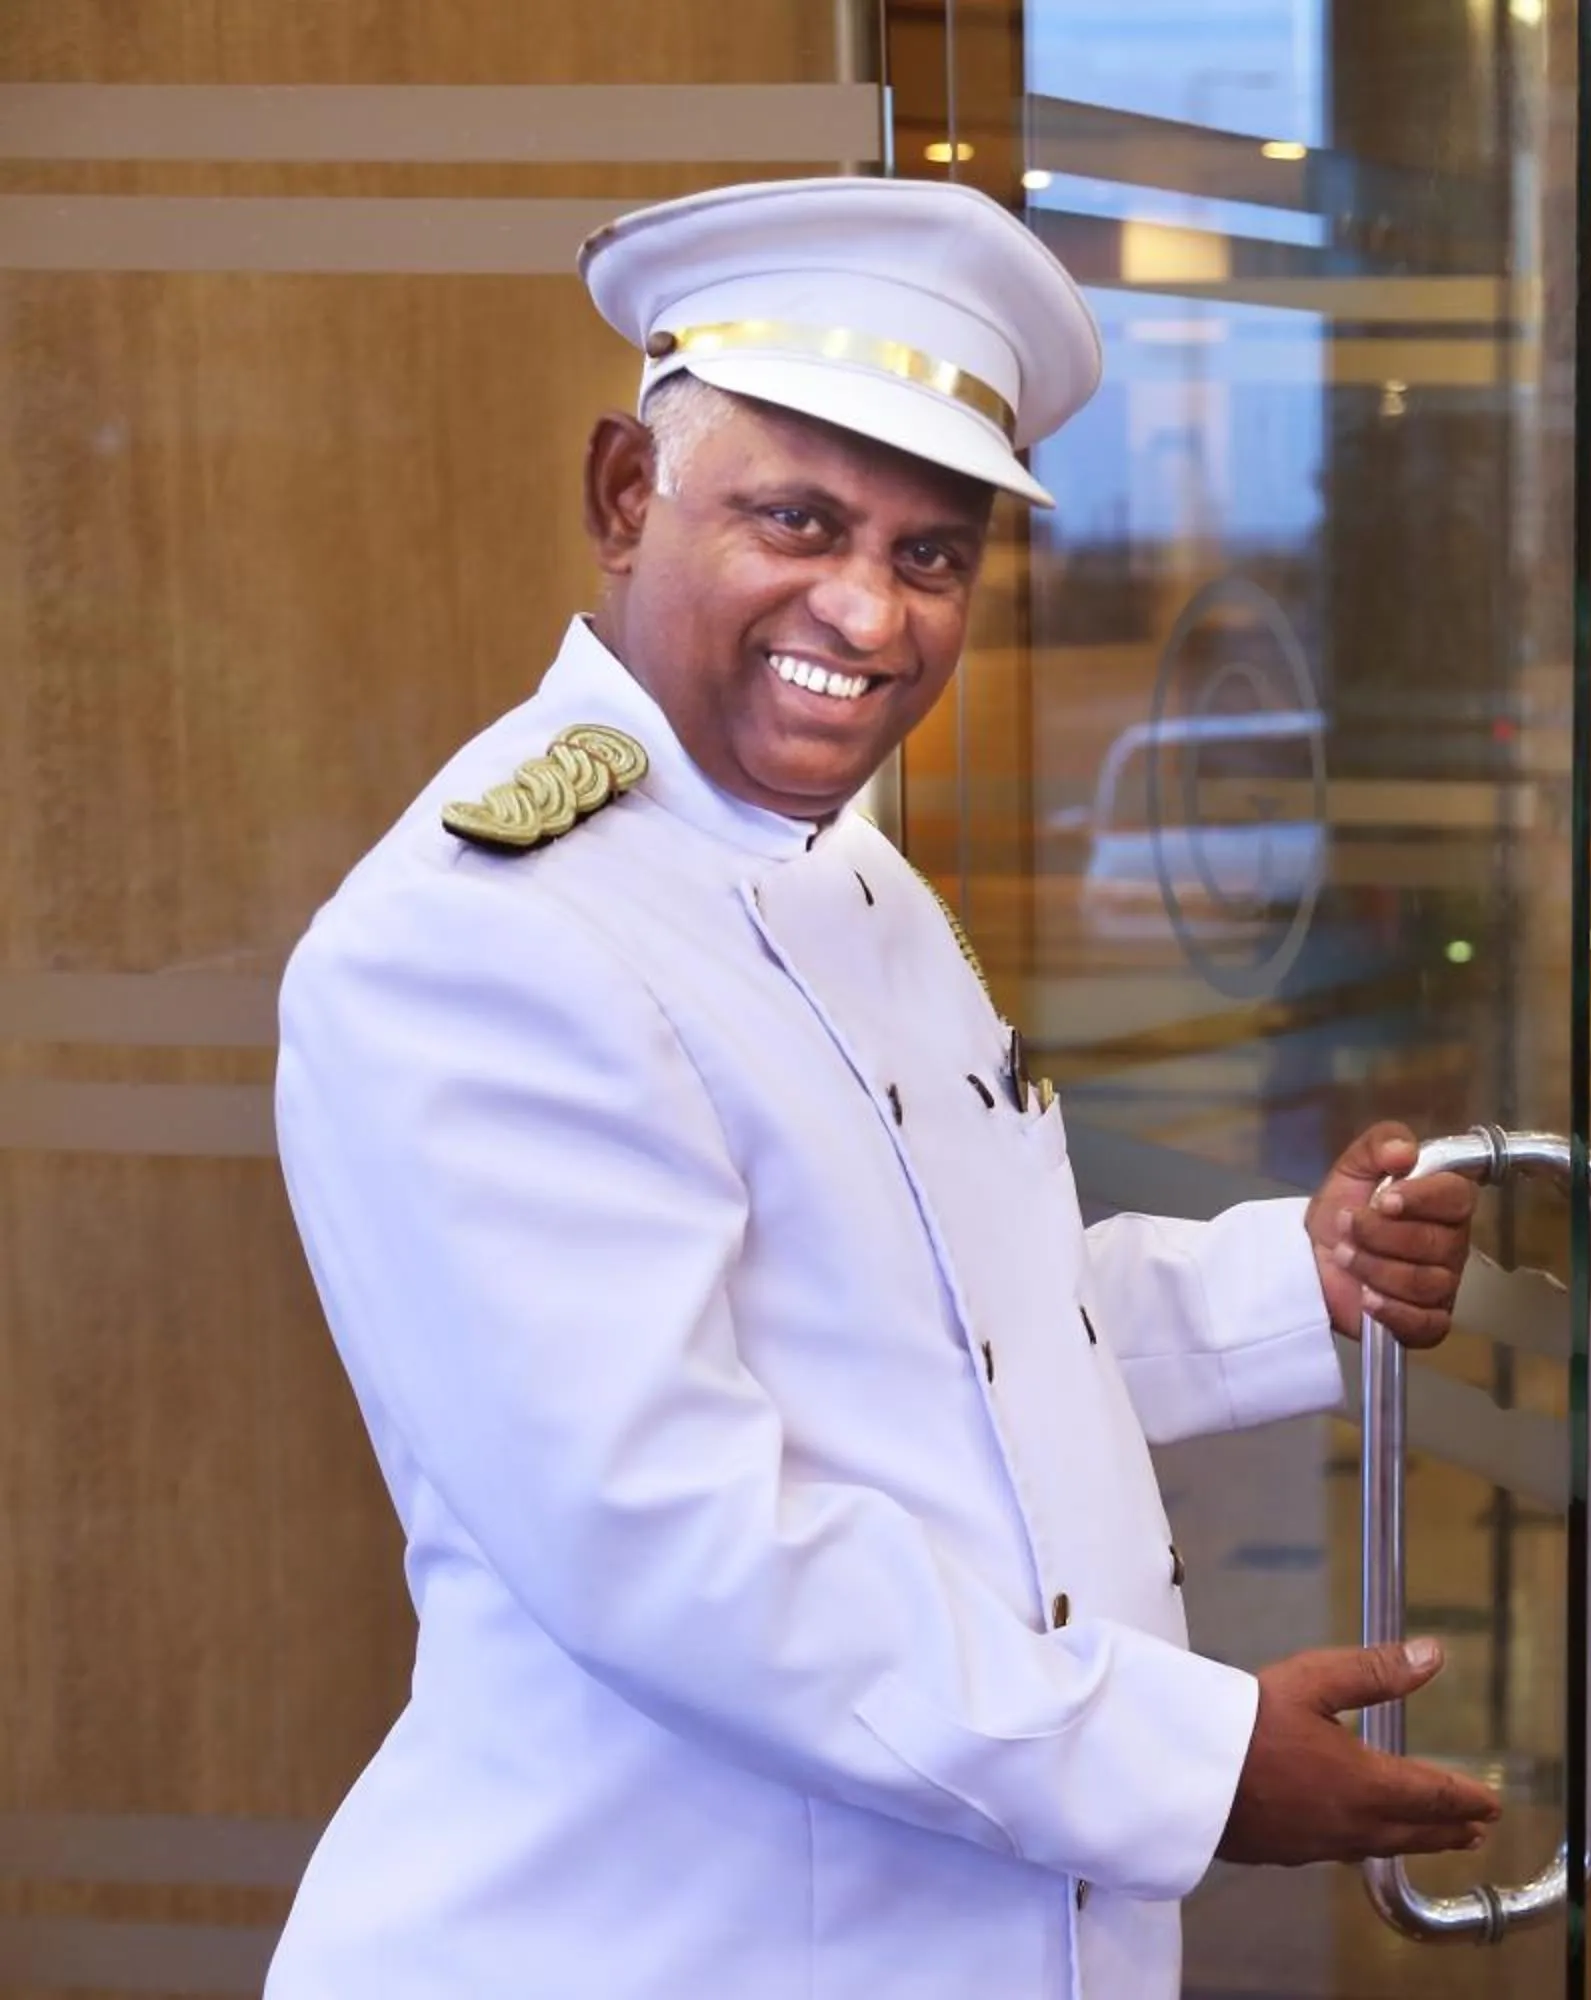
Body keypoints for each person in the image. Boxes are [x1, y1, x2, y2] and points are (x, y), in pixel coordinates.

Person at [265, 175, 1502, 2000]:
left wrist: (1285, 1281)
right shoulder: (484, 941)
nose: (866, 611)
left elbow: (952, 1336)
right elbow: (679, 1550)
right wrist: (1192, 1768)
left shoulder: (844, 870)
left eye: (932, 555)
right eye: (798, 519)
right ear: (625, 495)